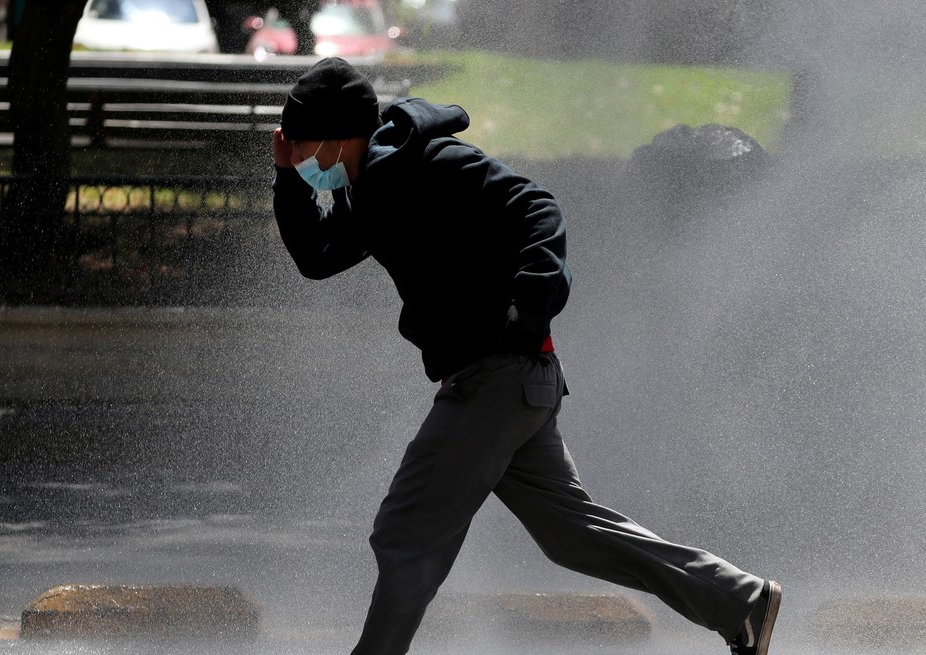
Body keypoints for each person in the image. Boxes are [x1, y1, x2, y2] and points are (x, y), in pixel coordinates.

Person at [270, 57, 781, 655]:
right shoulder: (371, 190)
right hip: (509, 383)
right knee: (570, 534)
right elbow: (317, 257)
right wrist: (287, 177)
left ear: (337, 136)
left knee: (405, 532)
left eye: (302, 144)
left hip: (497, 376)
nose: (300, 155)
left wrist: (530, 304)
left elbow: (538, 206)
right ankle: (738, 600)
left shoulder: (432, 164)